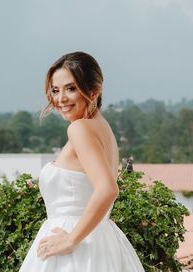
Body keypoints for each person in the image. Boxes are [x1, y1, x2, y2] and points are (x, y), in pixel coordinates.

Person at [19, 52, 144, 271]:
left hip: (75, 250)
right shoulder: (103, 128)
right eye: (56, 90)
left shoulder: (80, 129)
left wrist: (70, 240)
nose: (60, 99)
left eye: (71, 88)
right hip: (99, 240)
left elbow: (107, 189)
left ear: (94, 91)